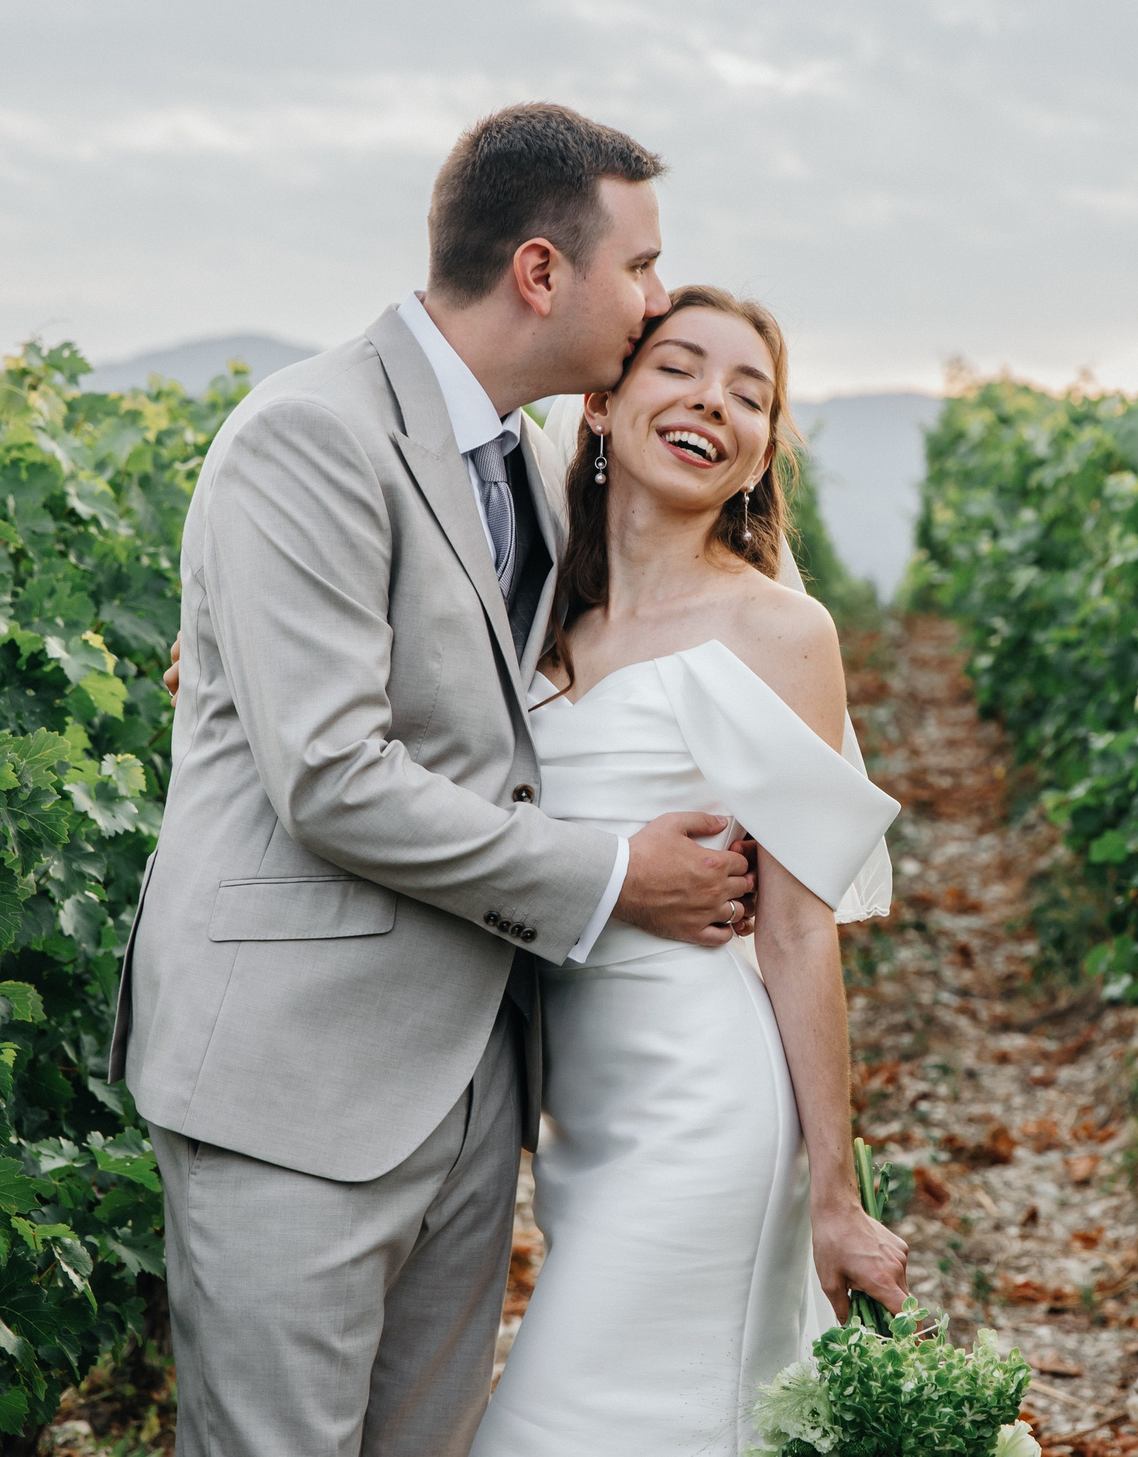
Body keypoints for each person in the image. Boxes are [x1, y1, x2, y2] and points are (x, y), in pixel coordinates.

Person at [109, 103, 764, 1457]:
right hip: (295, 1076)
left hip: (469, 1075)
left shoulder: (522, 461)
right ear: (541, 271)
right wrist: (614, 873)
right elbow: (334, 775)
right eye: (639, 267)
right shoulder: (310, 432)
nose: (650, 302)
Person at [467, 285, 910, 1457]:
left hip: (705, 1109)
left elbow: (800, 931)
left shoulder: (778, 633)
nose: (714, 400)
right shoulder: (537, 621)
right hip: (583, 1121)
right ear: (602, 406)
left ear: (762, 454)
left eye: (750, 393)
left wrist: (835, 1195)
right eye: (681, 369)